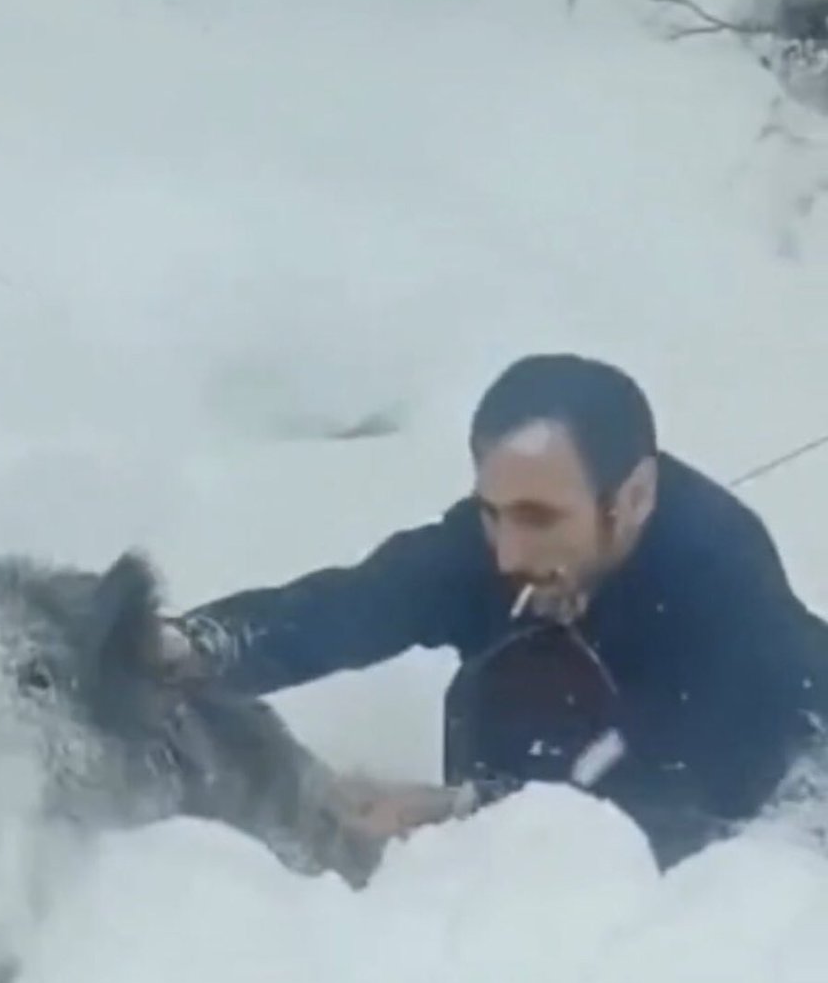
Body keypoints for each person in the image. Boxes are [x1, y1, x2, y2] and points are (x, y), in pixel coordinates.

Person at [164, 353, 828, 867]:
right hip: (532, 827)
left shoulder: (728, 594)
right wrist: (199, 646)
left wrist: (461, 814)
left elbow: (679, 807)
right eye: (492, 513)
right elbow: (359, 603)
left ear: (634, 496)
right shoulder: (506, 540)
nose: (508, 552)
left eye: (538, 518)